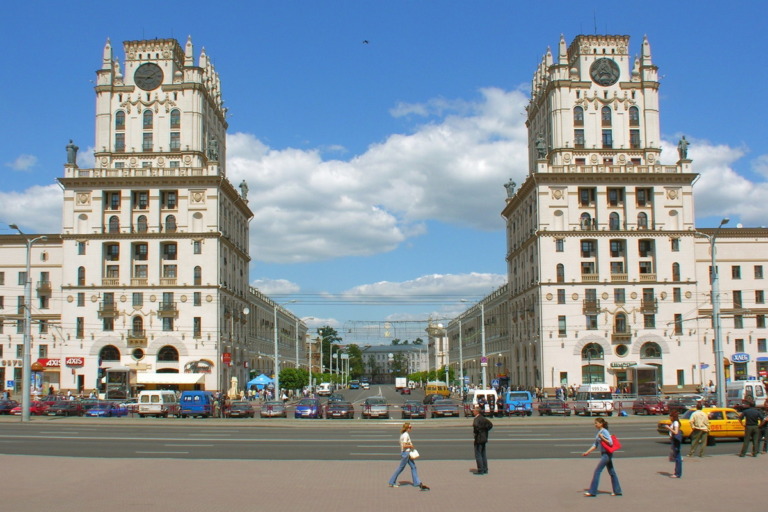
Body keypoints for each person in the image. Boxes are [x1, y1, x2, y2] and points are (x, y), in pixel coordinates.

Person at [582, 418, 622, 497]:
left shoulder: (604, 431)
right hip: (604, 454)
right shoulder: (598, 432)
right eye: (595, 423)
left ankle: (592, 491)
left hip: (607, 454)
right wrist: (587, 452)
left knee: (597, 471)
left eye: (596, 423)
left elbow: (610, 442)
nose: (595, 425)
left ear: (601, 424)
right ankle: (617, 491)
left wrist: (602, 437)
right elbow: (595, 445)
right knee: (612, 472)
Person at [388, 422, 429, 490]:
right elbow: (404, 445)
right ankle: (392, 482)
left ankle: (416, 482)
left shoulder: (403, 435)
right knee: (401, 468)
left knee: (413, 467)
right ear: (407, 428)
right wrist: (410, 445)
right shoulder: (406, 435)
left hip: (407, 452)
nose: (411, 428)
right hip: (406, 453)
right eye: (410, 427)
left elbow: (401, 443)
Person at [472, 405, 493, 475]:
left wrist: (479, 431)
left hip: (479, 438)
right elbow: (490, 425)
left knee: (478, 454)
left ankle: (480, 469)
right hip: (484, 438)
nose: (473, 412)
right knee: (483, 454)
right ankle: (485, 469)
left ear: (477, 412)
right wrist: (485, 430)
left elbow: (476, 427)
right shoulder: (483, 418)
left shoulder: (476, 419)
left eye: (474, 411)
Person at [665, 410, 683, 478]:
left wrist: (669, 428)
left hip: (676, 441)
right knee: (676, 457)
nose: (669, 418)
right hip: (674, 440)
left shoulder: (675, 423)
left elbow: (675, 432)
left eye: (670, 416)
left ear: (673, 417)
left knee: (677, 457)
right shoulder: (675, 422)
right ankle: (677, 472)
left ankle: (677, 473)